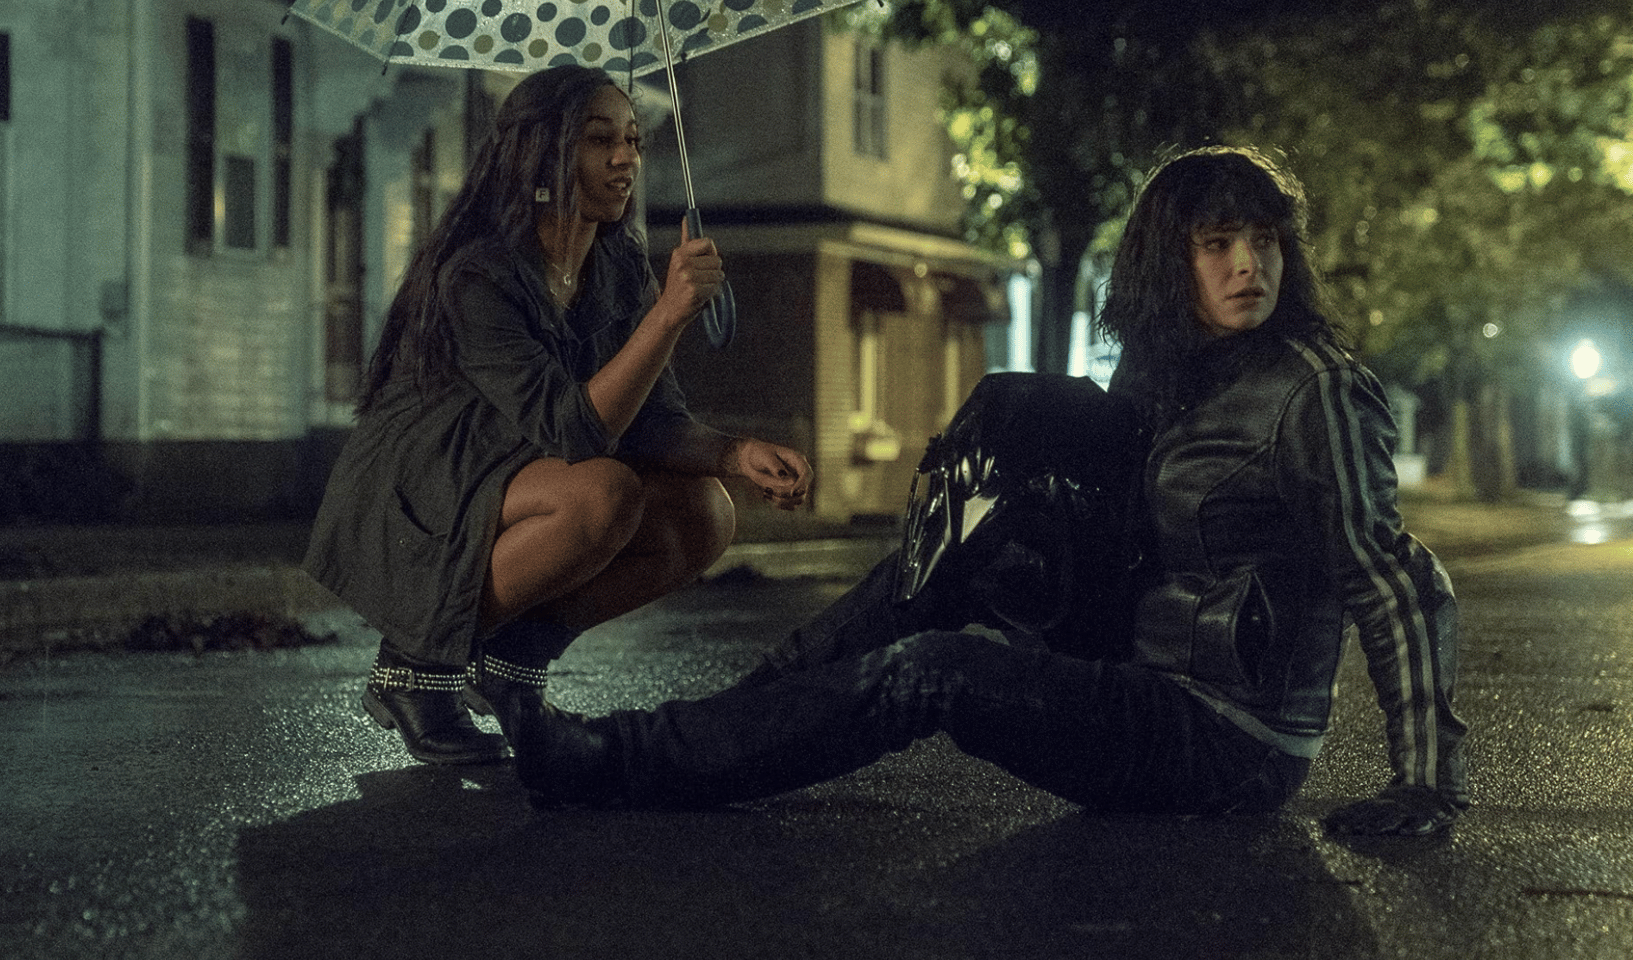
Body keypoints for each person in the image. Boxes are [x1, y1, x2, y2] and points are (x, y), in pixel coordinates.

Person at [506, 146, 1469, 837]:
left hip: (1230, 735)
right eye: (1217, 244)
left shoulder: (1315, 388)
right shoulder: (1166, 367)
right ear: (1169, 264)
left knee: (935, 669)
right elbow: (1121, 529)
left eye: (1261, 241)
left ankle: (633, 762)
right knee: (936, 563)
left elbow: (1396, 579)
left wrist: (1425, 781)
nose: (1247, 265)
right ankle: (707, 739)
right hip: (1136, 667)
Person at [305, 64, 813, 765]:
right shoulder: (478, 272)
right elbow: (575, 432)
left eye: (633, 139)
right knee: (604, 494)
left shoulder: (618, 266)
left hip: (520, 465)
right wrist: (667, 317)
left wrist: (735, 454)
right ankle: (413, 668)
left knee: (705, 512)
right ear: (540, 152)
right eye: (599, 140)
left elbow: (653, 420)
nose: (626, 157)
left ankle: (511, 664)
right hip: (428, 481)